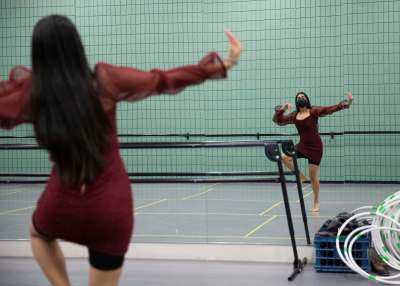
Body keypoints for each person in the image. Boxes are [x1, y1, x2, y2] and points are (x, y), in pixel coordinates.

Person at [0, 15, 241, 286]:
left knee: (38, 234)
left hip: (61, 201)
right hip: (110, 205)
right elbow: (162, 80)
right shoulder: (104, 81)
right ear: (77, 47)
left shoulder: (33, 95)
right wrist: (225, 63)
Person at [273, 91, 353, 212]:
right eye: (298, 97)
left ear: (307, 99)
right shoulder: (294, 115)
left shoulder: (314, 111)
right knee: (284, 157)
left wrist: (347, 103)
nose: (301, 98)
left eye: (303, 97)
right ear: (296, 101)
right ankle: (300, 176)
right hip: (302, 145)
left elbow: (330, 109)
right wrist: (283, 108)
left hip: (315, 147)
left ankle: (316, 202)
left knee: (313, 176)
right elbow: (278, 120)